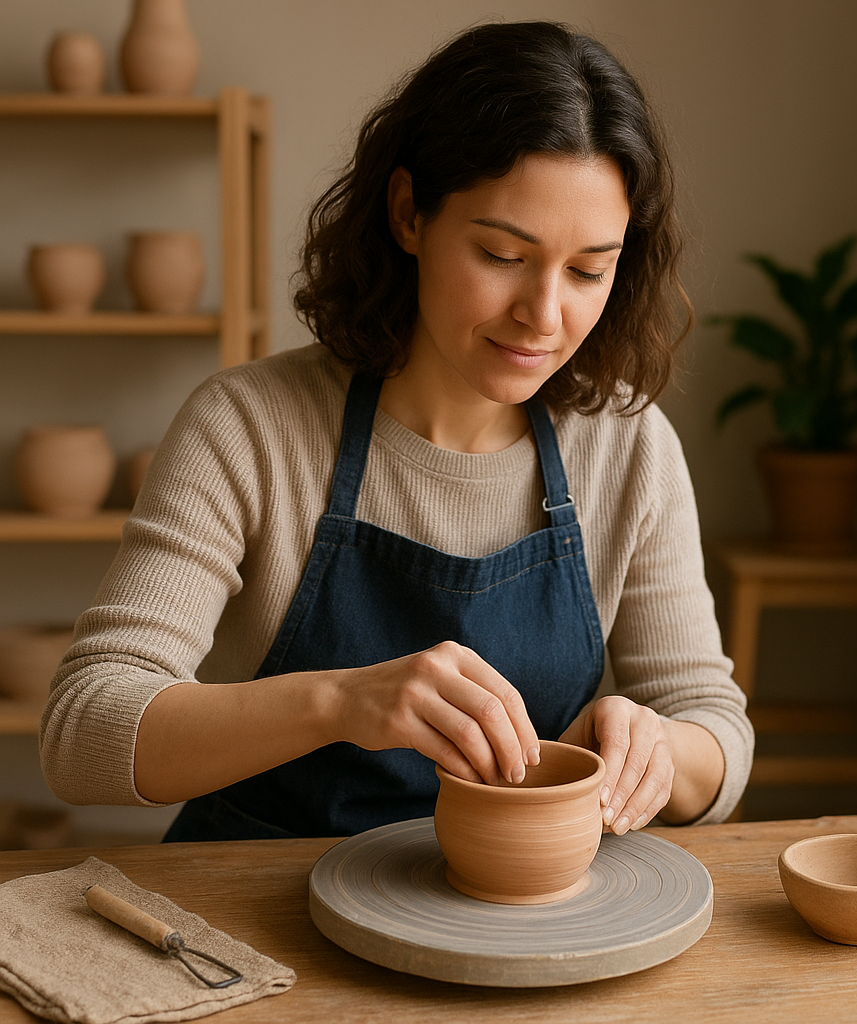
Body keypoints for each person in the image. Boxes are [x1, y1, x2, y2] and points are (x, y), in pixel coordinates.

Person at [40, 21, 753, 841]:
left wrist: (659, 746)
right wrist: (339, 702)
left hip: (506, 924)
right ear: (409, 213)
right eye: (502, 254)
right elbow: (81, 732)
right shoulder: (248, 429)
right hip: (256, 914)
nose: (545, 316)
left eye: (590, 270)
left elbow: (717, 732)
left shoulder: (629, 445)